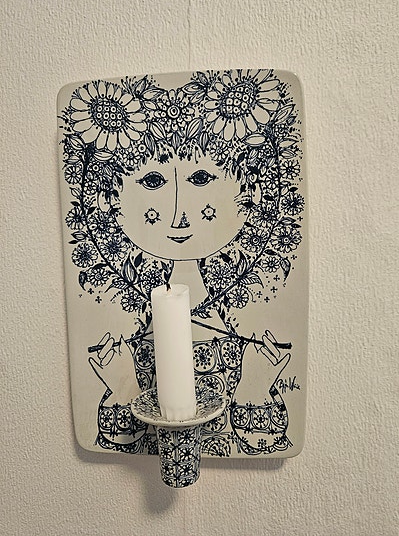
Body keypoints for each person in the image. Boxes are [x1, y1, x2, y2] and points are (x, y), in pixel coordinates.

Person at [61, 69, 305, 456]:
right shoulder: (125, 354)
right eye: (153, 181)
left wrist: (255, 385)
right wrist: (123, 387)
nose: (179, 217)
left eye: (201, 178)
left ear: (254, 187)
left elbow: (262, 444)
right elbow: (123, 439)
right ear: (108, 197)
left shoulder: (253, 349)